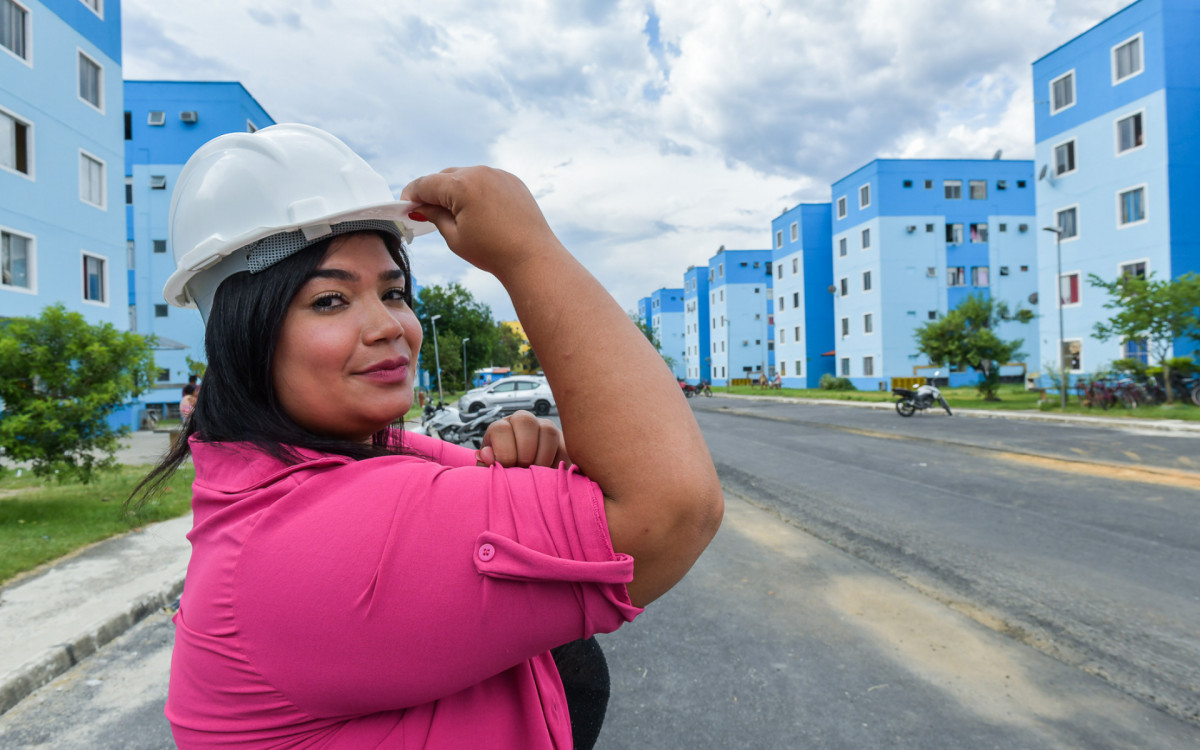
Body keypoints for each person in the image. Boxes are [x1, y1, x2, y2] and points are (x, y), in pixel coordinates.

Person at [131, 123, 723, 749]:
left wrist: (540, 461)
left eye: (394, 292)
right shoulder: (321, 535)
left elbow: (606, 473)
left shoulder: (326, 460)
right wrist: (526, 249)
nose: (390, 326)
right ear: (241, 333)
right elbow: (669, 509)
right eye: (331, 300)